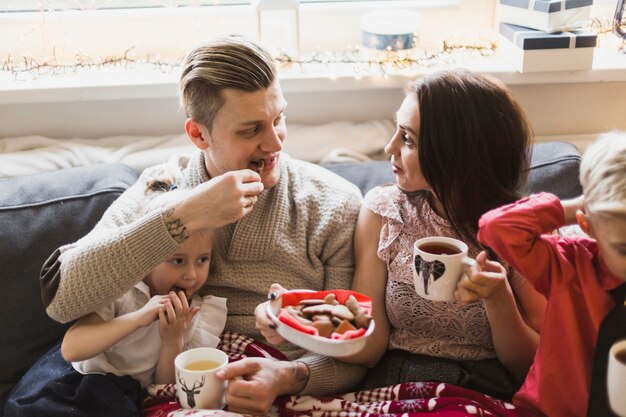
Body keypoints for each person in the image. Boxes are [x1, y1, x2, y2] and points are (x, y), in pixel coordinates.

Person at [24, 35, 364, 416]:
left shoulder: (334, 204)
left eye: (278, 119)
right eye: (250, 130)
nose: (274, 143)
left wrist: (289, 375)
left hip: (275, 386)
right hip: (172, 388)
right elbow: (62, 300)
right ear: (198, 134)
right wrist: (184, 216)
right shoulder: (163, 187)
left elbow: (357, 349)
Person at [256, 70, 546, 401]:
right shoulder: (384, 213)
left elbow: (535, 366)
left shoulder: (519, 229)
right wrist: (297, 316)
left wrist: (499, 299)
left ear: (454, 152)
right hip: (392, 387)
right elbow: (370, 346)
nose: (388, 146)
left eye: (407, 139)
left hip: (478, 391)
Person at [5, 176, 227, 417]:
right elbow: (71, 348)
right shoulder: (125, 291)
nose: (191, 275)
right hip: (75, 383)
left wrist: (173, 339)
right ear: (148, 258)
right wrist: (139, 318)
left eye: (202, 260)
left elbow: (164, 386)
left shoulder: (194, 314)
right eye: (178, 261)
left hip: (123, 400)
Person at [477, 132, 626, 417]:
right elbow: (496, 228)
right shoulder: (569, 265)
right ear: (588, 226)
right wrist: (577, 208)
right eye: (624, 249)